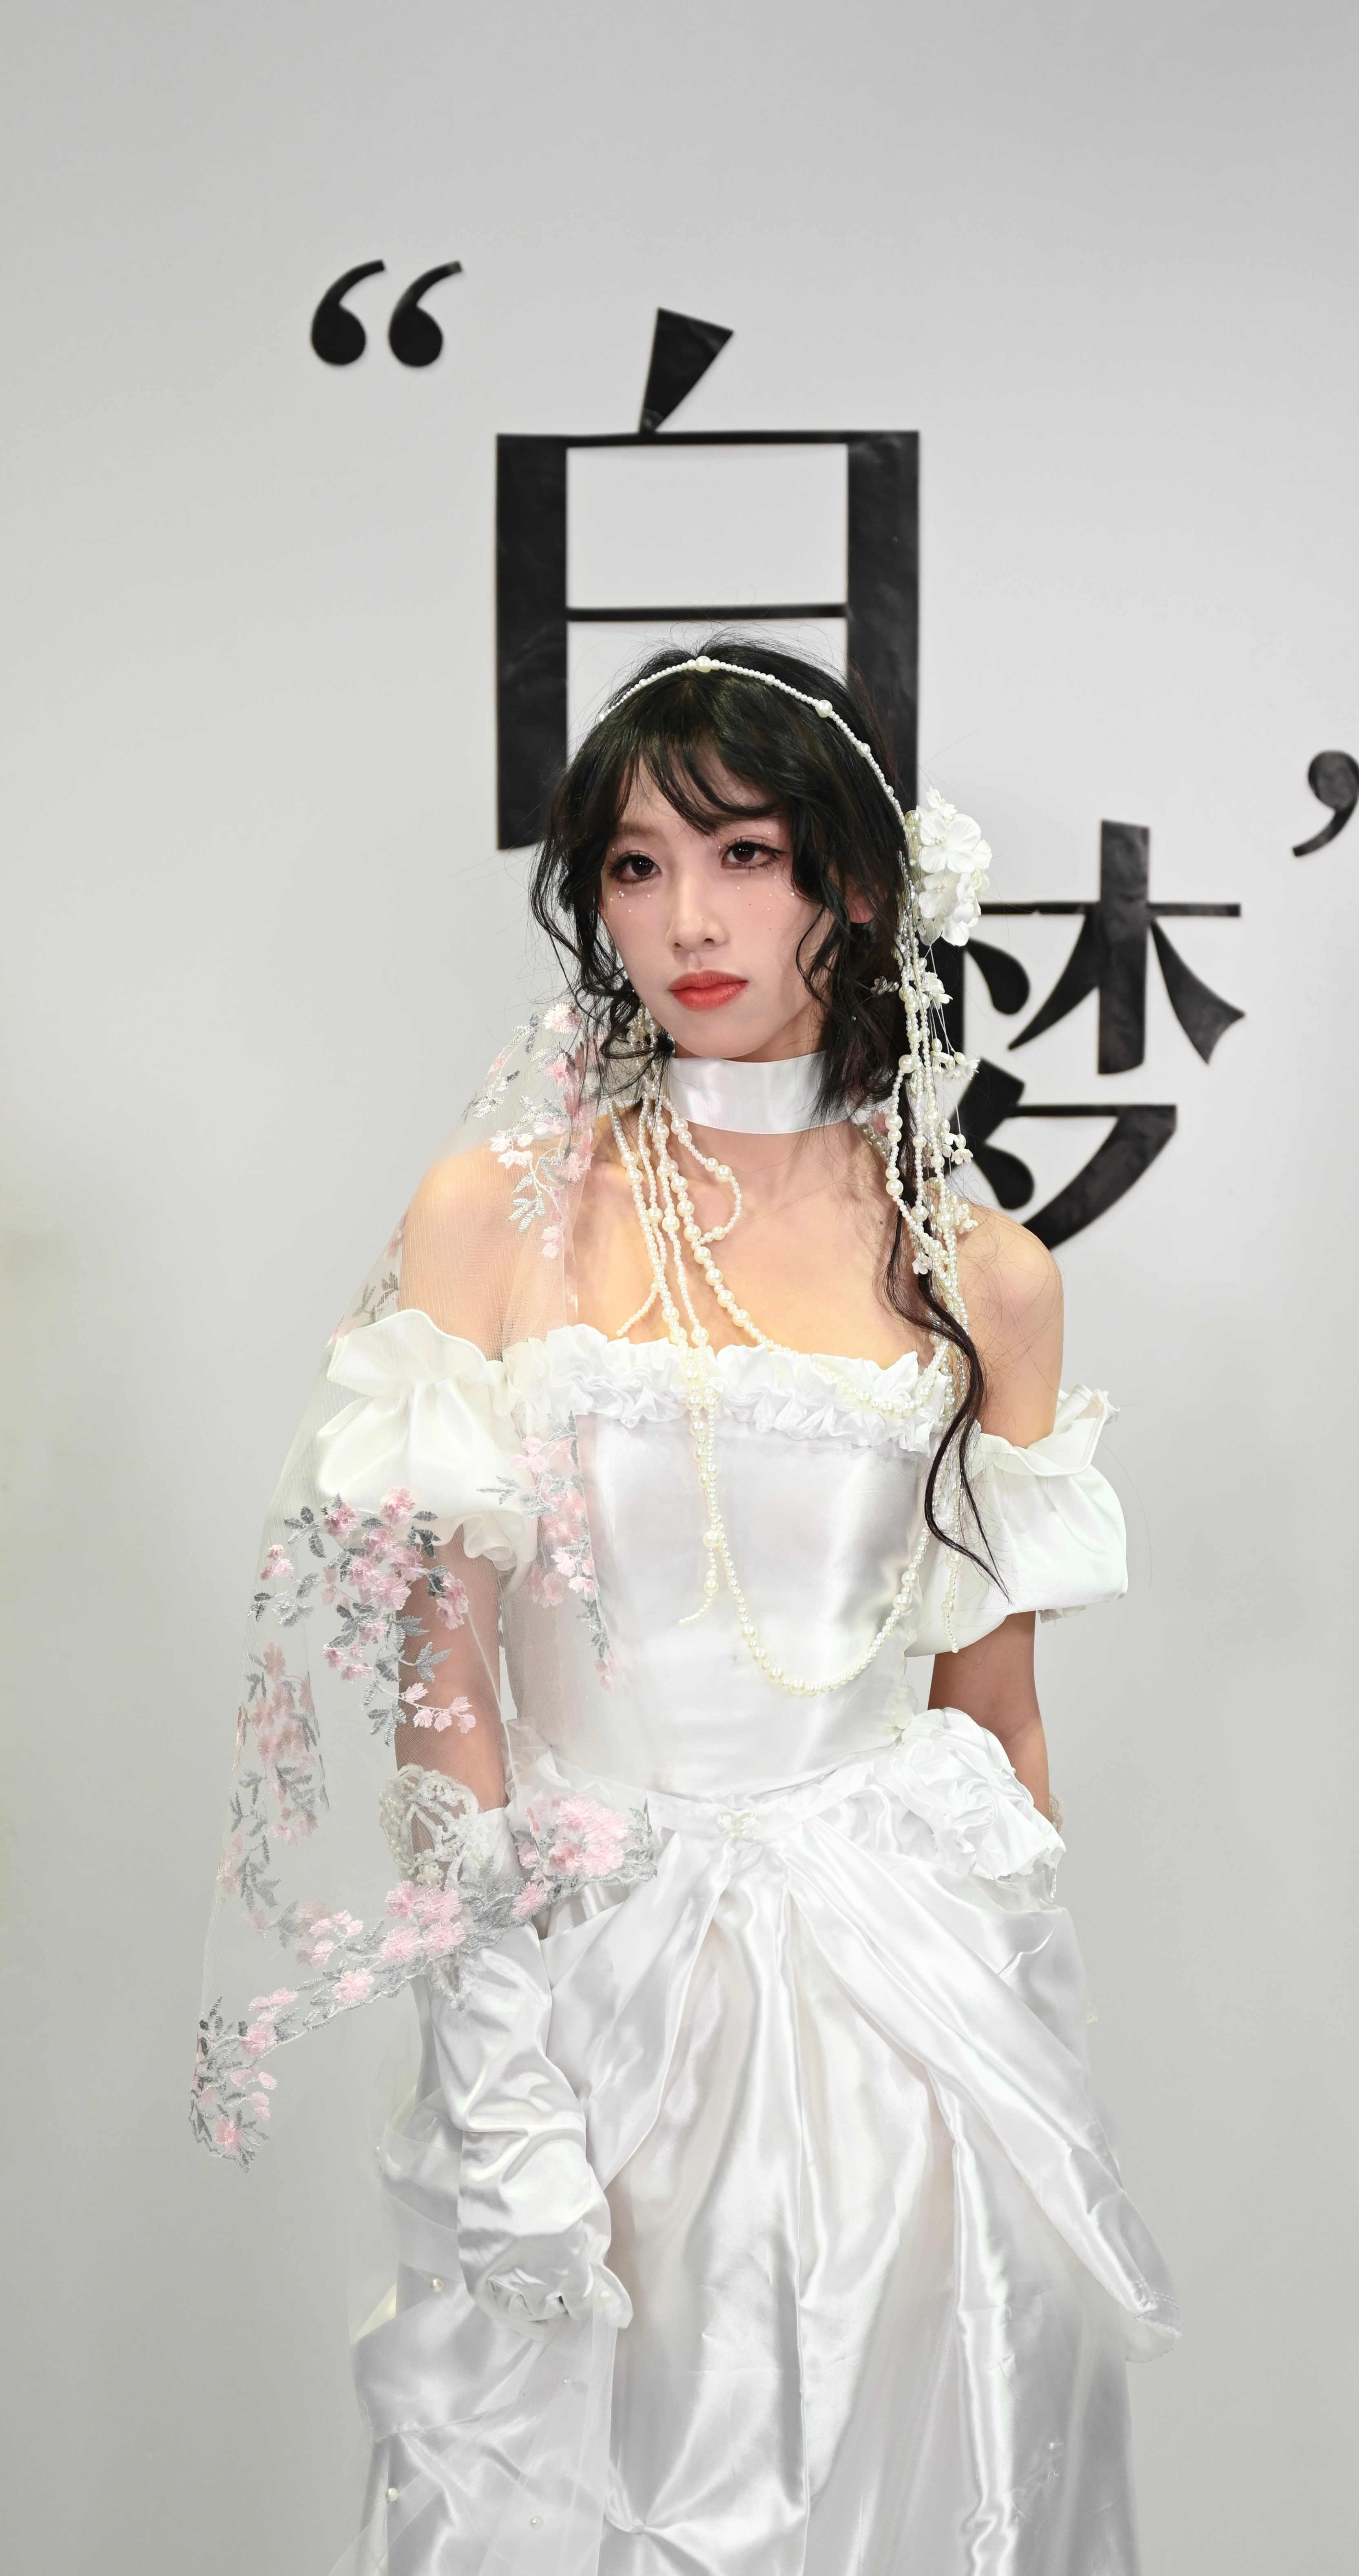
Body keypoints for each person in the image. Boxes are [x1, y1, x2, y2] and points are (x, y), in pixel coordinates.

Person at [193, 641, 1178, 2574]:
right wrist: (494, 2069)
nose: (692, 920)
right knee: (571, 2481)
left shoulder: (987, 1272)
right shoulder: (497, 1213)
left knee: (906, 2488)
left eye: (745, 855)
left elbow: (996, 1718)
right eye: (637, 868)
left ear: (857, 886)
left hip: (895, 2018)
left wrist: (1018, 2041)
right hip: (586, 1988)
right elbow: (444, 1680)